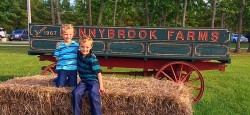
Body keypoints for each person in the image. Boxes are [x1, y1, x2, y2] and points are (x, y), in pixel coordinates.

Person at [71, 35, 105, 115]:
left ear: (91, 47)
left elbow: (98, 72)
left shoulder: (92, 58)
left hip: (93, 81)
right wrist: (59, 44)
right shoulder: (78, 54)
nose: (84, 49)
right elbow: (69, 46)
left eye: (87, 47)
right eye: (82, 47)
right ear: (79, 46)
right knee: (76, 93)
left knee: (93, 94)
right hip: (83, 81)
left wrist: (101, 86)